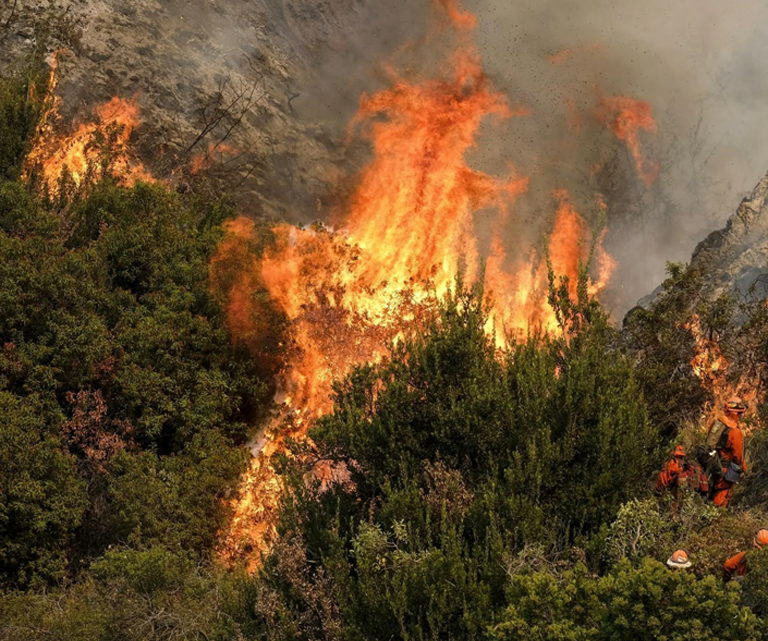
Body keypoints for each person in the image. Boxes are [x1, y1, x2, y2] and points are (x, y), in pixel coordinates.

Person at [707, 396, 747, 507]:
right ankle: (716, 522)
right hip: (725, 469)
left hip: (711, 464)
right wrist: (742, 467)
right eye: (739, 414)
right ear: (735, 414)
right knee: (722, 497)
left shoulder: (717, 423)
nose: (740, 416)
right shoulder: (735, 431)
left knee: (710, 493)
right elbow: (737, 455)